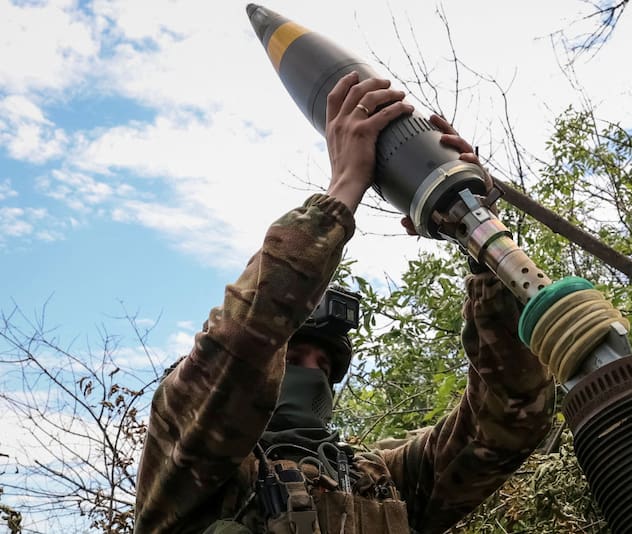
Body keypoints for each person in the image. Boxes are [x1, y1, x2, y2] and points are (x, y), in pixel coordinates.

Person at [133, 73, 555, 534]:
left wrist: (479, 238)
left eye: (323, 366)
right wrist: (343, 189)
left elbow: (511, 414)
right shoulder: (187, 466)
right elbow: (237, 344)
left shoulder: (378, 481)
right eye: (293, 357)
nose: (311, 373)